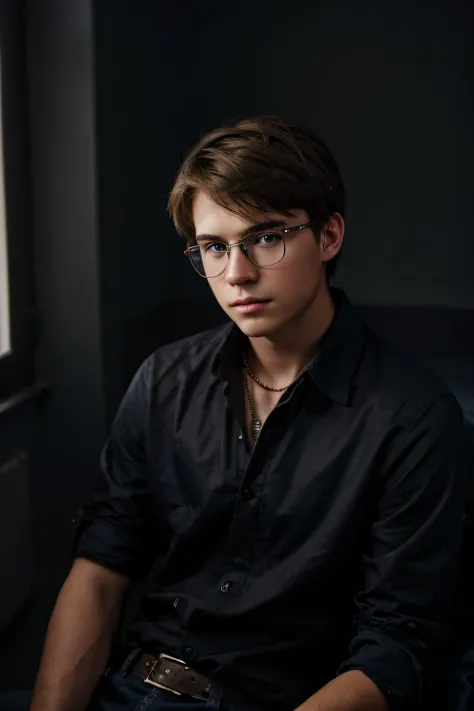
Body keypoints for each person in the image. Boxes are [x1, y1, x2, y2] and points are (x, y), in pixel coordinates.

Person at [13, 116, 471, 711]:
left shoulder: (415, 415)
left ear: (329, 237)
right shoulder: (163, 381)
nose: (237, 274)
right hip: (129, 691)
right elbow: (100, 571)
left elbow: (398, 645)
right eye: (213, 247)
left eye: (266, 237)